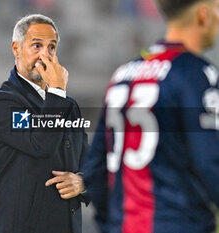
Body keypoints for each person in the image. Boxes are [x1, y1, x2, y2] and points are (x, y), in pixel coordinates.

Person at [83, 0, 219, 233]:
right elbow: (210, 163)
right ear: (203, 15)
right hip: (178, 224)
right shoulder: (196, 74)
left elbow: (95, 170)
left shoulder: (122, 75)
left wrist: (111, 223)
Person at [0, 14, 88, 233]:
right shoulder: (2, 102)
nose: (45, 55)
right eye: (37, 45)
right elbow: (41, 143)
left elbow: (88, 162)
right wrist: (58, 92)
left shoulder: (68, 106)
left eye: (51, 47)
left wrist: (82, 182)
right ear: (16, 48)